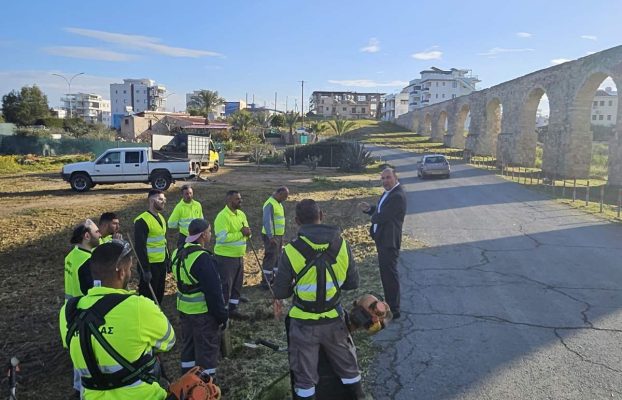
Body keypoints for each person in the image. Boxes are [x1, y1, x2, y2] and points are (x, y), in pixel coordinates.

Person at [59, 240, 176, 400]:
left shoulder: (69, 311)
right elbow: (169, 341)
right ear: (121, 272)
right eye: (129, 269)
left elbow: (70, 345)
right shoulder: (139, 307)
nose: (129, 273)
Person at [273, 199, 365, 400]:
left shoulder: (290, 250)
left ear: (297, 221)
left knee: (305, 380)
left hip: (303, 325)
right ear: (321, 215)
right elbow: (352, 283)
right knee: (349, 371)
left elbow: (281, 292)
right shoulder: (342, 245)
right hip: (335, 322)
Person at [171, 219, 228, 376]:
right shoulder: (202, 258)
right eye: (209, 231)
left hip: (184, 311)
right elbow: (214, 293)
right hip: (202, 315)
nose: (211, 234)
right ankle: (206, 389)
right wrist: (222, 316)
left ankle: (187, 381)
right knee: (207, 352)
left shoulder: (177, 253)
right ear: (203, 235)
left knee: (188, 348)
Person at [358, 167, 407, 319]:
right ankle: (390, 304)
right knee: (386, 275)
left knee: (390, 275)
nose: (385, 181)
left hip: (389, 241)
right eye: (383, 178)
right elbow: (380, 211)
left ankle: (394, 309)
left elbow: (383, 216)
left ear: (395, 178)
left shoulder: (397, 196)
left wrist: (373, 217)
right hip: (383, 240)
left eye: (388, 178)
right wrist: (370, 209)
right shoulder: (389, 193)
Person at [213, 190, 251, 319]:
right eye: (237, 199)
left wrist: (247, 233)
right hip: (225, 258)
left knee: (237, 284)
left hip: (239, 256)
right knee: (226, 285)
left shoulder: (241, 214)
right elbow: (222, 238)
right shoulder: (222, 217)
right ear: (229, 201)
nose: (240, 201)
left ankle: (233, 308)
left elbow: (247, 230)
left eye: (240, 198)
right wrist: (241, 233)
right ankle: (223, 312)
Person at [134, 189, 169, 304]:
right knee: (148, 297)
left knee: (159, 294)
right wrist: (146, 269)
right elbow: (140, 247)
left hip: (161, 263)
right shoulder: (142, 221)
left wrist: (167, 260)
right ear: (151, 200)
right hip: (150, 265)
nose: (163, 202)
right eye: (160, 199)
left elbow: (163, 241)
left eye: (164, 199)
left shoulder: (161, 218)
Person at [64, 219, 101, 301]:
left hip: (70, 308)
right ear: (87, 236)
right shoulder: (88, 262)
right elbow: (94, 291)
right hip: (83, 309)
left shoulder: (70, 256)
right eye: (97, 232)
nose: (100, 235)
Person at [260, 186, 289, 288]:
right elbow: (267, 221)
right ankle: (266, 282)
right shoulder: (270, 203)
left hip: (279, 236)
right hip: (272, 236)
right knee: (271, 257)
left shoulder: (278, 203)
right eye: (284, 196)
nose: (285, 199)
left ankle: (275, 279)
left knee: (278, 257)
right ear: (279, 193)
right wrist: (270, 236)